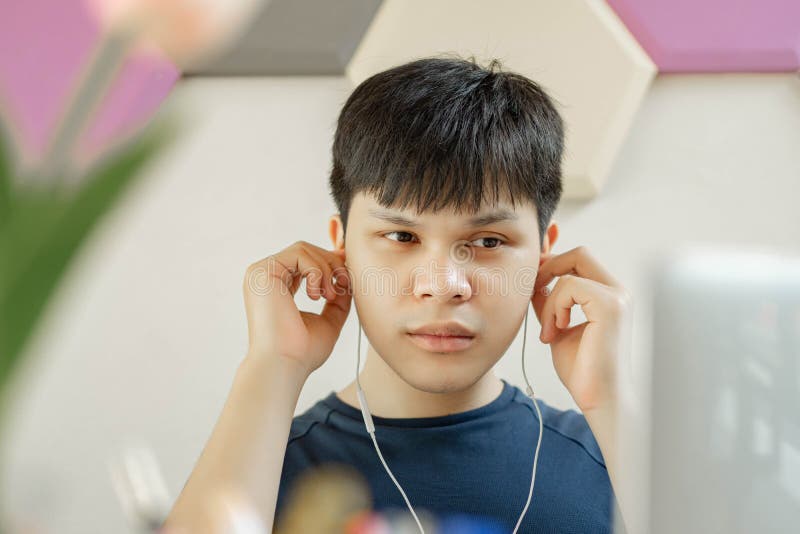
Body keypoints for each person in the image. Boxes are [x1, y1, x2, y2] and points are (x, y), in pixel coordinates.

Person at [163, 55, 632, 534]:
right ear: (342, 247)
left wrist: (608, 402)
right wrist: (273, 365)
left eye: (488, 242)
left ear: (542, 254)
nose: (443, 285)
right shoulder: (258, 473)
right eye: (402, 238)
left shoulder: (616, 460)